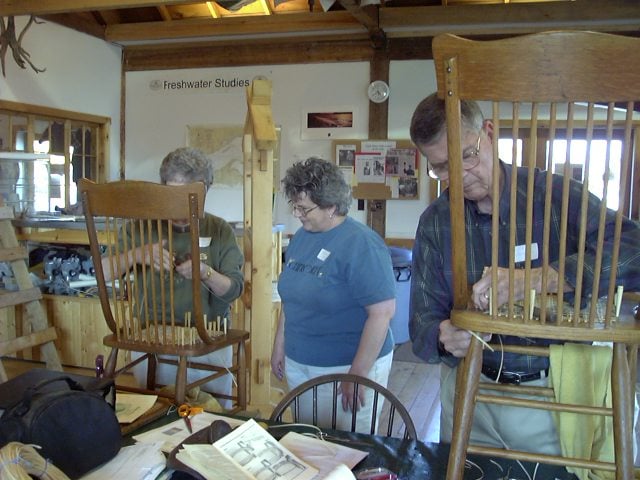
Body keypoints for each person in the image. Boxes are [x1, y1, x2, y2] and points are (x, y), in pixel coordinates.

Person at [408, 93, 640, 454]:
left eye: (467, 155)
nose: (459, 175)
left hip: (552, 395)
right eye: (441, 167)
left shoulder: (556, 196)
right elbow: (421, 320)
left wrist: (538, 279)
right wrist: (442, 336)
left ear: (489, 132)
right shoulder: (436, 221)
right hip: (468, 389)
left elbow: (635, 248)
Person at [103, 147, 244, 407]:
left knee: (210, 418)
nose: (181, 204)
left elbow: (234, 289)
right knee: (157, 416)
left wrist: (205, 273)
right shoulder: (140, 228)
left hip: (209, 340)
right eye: (173, 194)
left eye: (189, 195)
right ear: (163, 188)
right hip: (153, 340)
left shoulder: (219, 229)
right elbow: (103, 272)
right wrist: (138, 255)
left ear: (205, 191)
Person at [271, 157, 396, 432]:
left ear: (331, 206)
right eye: (295, 206)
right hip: (300, 361)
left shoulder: (362, 244)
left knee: (348, 448)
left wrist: (358, 373)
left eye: (304, 208)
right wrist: (279, 344)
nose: (297, 214)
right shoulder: (302, 237)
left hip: (345, 367)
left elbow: (382, 313)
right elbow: (291, 299)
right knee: (309, 439)